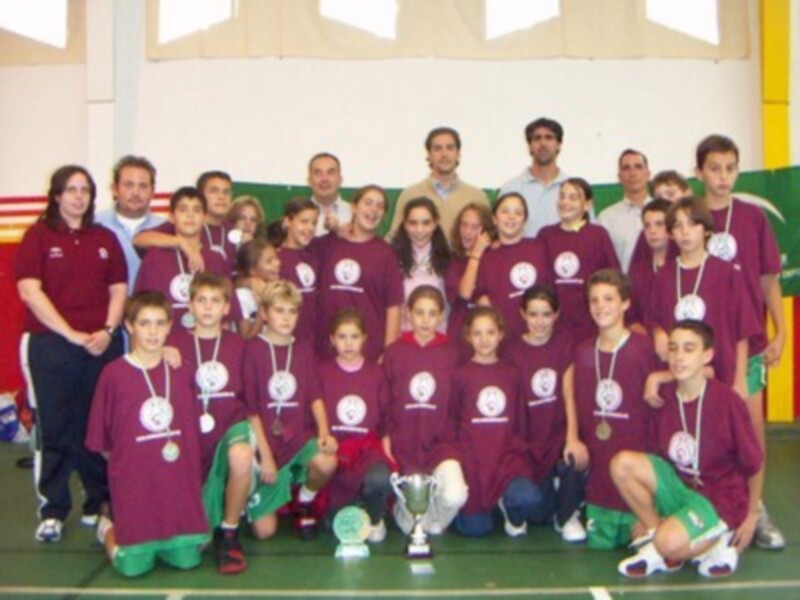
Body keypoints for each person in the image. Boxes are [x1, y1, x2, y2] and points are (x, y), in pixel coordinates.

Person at [15, 164, 127, 543]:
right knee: (56, 428)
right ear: (57, 195)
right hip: (50, 345)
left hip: (99, 344)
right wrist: (70, 333)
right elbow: (30, 291)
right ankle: (53, 509)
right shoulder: (38, 236)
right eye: (71, 189)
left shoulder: (104, 238)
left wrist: (107, 331)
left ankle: (98, 504)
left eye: (85, 190)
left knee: (95, 428)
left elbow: (118, 289)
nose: (79, 196)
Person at [612, 320, 763, 578]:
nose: (679, 357)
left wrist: (751, 515)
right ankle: (662, 541)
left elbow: (754, 463)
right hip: (682, 490)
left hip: (719, 498)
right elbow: (658, 459)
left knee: (669, 543)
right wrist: (653, 515)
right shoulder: (665, 397)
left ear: (707, 355)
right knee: (621, 464)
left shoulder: (727, 403)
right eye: (673, 349)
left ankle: (717, 540)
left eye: (689, 349)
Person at [695, 134, 786, 549]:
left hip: (746, 341)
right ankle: (710, 507)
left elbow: (769, 278)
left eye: (730, 168)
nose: (723, 176)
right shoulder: (692, 218)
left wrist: (780, 329)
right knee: (706, 429)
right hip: (701, 347)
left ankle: (756, 508)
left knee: (750, 428)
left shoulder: (752, 218)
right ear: (699, 172)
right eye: (714, 168)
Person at [88, 292, 208, 577]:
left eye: (159, 323)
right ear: (129, 326)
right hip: (136, 494)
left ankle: (176, 536)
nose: (153, 332)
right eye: (144, 324)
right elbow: (102, 441)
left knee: (188, 562)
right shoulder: (113, 375)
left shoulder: (181, 369)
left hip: (177, 493)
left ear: (170, 326)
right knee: (131, 569)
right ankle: (108, 526)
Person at [563, 269, 658, 549]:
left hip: (638, 485)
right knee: (599, 550)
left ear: (625, 303)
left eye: (609, 299)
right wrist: (571, 436)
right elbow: (570, 389)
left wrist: (653, 502)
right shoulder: (583, 352)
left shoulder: (643, 349)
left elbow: (660, 413)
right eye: (594, 300)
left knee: (645, 546)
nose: (601, 306)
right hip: (600, 488)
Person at [166, 273, 252, 574]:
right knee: (194, 545)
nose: (207, 308)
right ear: (189, 305)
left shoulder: (239, 345)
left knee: (241, 456)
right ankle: (206, 521)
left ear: (227, 307)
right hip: (191, 437)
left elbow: (251, 399)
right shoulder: (173, 343)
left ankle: (229, 531)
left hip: (230, 426)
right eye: (200, 300)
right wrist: (159, 352)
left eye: (215, 301)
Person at [242, 281, 338, 541]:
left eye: (292, 311)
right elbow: (251, 411)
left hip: (297, 438)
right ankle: (256, 490)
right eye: (279, 310)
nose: (286, 318)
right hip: (267, 443)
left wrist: (324, 432)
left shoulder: (304, 350)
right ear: (264, 313)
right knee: (264, 532)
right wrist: (266, 457)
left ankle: (304, 500)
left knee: (327, 461)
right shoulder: (251, 351)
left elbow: (315, 396)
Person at [647, 197, 757, 395]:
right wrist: (658, 333)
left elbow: (743, 332)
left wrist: (739, 380)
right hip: (678, 374)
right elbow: (653, 318)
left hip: (720, 372)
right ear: (671, 233)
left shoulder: (727, 274)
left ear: (706, 229)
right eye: (678, 226)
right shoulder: (664, 276)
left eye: (692, 224)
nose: (685, 232)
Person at [502, 286, 587, 542]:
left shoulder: (565, 341)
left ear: (557, 314)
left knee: (576, 459)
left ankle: (567, 515)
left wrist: (572, 437)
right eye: (534, 314)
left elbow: (568, 390)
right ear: (523, 314)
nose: (540, 322)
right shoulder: (511, 349)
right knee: (537, 513)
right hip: (527, 438)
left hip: (556, 434)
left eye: (546, 314)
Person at [383, 286, 467, 535]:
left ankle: (432, 518)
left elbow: (462, 401)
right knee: (411, 527)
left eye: (432, 313)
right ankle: (409, 511)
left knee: (455, 496)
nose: (426, 320)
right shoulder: (395, 352)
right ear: (408, 314)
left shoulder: (454, 352)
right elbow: (384, 399)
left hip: (442, 445)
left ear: (441, 316)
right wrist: (386, 438)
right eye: (419, 312)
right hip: (404, 445)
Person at [452, 307, 536, 537]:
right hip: (474, 460)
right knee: (476, 530)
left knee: (526, 498)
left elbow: (520, 420)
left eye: (490, 332)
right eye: (477, 333)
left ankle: (509, 507)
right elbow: (454, 419)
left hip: (506, 458)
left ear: (500, 334)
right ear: (468, 336)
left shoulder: (512, 373)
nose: (484, 339)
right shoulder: (460, 374)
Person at [318, 308, 394, 542]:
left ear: (364, 339)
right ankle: (349, 506)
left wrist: (388, 453)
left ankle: (374, 518)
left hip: (367, 450)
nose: (348, 344)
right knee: (333, 524)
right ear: (332, 339)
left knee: (380, 478)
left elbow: (386, 419)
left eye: (354, 337)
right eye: (342, 337)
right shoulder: (322, 372)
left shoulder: (376, 373)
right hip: (336, 452)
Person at [316, 185, 404, 361]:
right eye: (368, 203)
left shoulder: (386, 254)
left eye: (380, 206)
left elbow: (394, 306)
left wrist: (388, 351)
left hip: (369, 352)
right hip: (328, 351)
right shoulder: (328, 245)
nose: (373, 210)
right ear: (354, 207)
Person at [133, 187, 230, 332]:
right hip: (163, 343)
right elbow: (139, 311)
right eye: (183, 209)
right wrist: (180, 242)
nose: (190, 215)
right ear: (171, 217)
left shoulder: (216, 259)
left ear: (204, 218)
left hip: (203, 346)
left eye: (197, 210)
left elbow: (226, 319)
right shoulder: (155, 256)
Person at [538, 178, 620, 346]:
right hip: (555, 323)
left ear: (587, 204)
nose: (565, 202)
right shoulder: (545, 235)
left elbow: (614, 279)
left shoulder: (598, 235)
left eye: (573, 198)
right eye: (562, 196)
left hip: (590, 324)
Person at [474, 192, 551, 339]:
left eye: (518, 212)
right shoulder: (486, 255)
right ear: (494, 219)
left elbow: (549, 291)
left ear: (524, 220)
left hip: (537, 336)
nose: (511, 217)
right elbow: (481, 297)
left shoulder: (539, 247)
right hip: (504, 339)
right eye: (505, 211)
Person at [389, 127, 490, 240]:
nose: (444, 154)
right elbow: (394, 238)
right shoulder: (410, 195)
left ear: (458, 153)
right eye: (438, 149)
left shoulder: (477, 197)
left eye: (450, 148)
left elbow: (489, 238)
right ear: (429, 154)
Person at [134, 171, 237, 274]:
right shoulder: (186, 225)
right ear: (200, 195)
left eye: (226, 192)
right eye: (214, 191)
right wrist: (180, 242)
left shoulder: (234, 231)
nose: (221, 197)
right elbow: (139, 239)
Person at [95, 155, 164, 289]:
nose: (136, 193)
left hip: (152, 307)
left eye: (143, 186)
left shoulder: (165, 229)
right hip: (106, 307)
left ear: (153, 191)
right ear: (115, 189)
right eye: (128, 185)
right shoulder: (94, 225)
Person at [499, 117, 569, 238]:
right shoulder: (510, 189)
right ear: (529, 146)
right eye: (537, 138)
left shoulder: (575, 191)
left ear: (559, 145)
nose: (543, 143)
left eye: (549, 137)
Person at [390, 197, 451, 332]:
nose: (419, 230)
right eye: (413, 223)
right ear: (405, 224)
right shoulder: (391, 256)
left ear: (435, 223)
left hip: (438, 335)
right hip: (402, 335)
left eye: (426, 223)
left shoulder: (448, 256)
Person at [267, 197, 321, 343]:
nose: (310, 228)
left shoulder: (315, 255)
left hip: (312, 343)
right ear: (287, 222)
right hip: (284, 340)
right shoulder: (274, 258)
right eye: (304, 221)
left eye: (314, 223)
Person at [445, 202, 494, 351]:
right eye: (464, 225)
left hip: (488, 337)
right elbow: (465, 293)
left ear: (485, 231)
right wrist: (476, 254)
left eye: (474, 227)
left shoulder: (494, 258)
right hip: (460, 335)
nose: (467, 232)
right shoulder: (453, 260)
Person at [598, 149, 652, 272]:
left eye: (638, 167)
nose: (633, 173)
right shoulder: (606, 218)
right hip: (623, 287)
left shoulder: (665, 212)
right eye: (626, 168)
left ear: (648, 174)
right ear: (619, 177)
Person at [627, 199, 673, 331]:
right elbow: (630, 315)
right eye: (647, 225)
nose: (652, 231)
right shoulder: (638, 272)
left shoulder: (681, 267)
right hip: (646, 343)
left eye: (659, 224)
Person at [233, 238, 281, 338]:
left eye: (276, 258)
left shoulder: (276, 288)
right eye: (269, 261)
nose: (277, 263)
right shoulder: (242, 295)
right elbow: (246, 337)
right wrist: (261, 308)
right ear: (253, 270)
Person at [308, 152, 352, 237]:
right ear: (309, 180)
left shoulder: (353, 214)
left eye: (330, 173)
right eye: (318, 173)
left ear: (340, 179)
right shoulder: (298, 216)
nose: (324, 179)